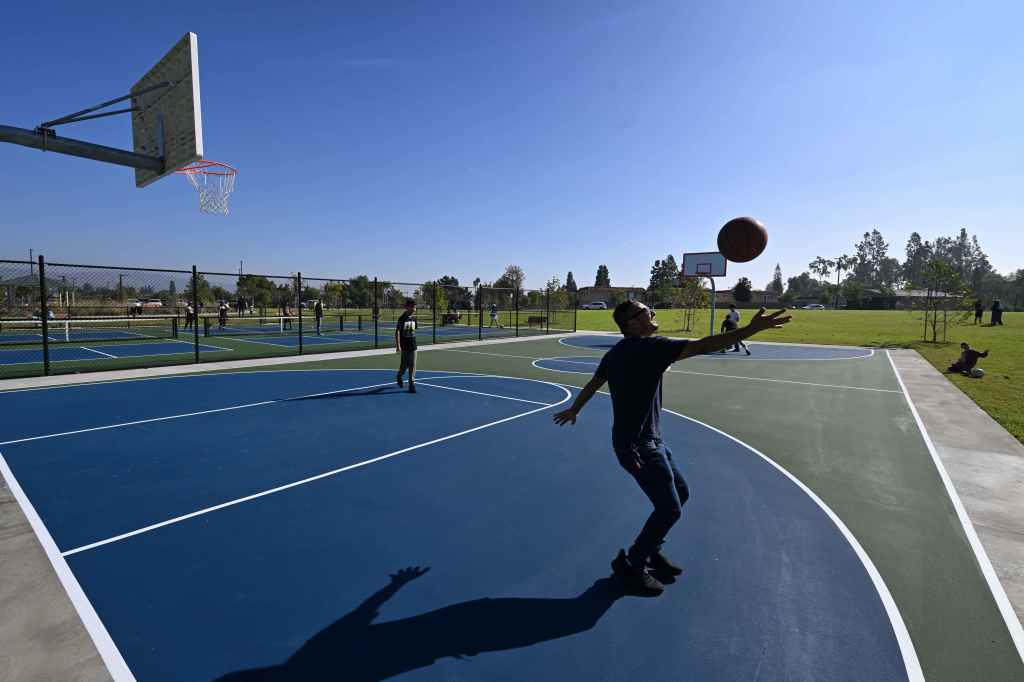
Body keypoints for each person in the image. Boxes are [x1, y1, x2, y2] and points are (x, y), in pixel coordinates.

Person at [553, 301, 790, 595]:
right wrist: (751, 329)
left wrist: (575, 408)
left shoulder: (616, 352)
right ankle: (633, 564)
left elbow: (595, 382)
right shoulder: (650, 347)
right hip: (637, 447)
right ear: (631, 323)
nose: (652, 313)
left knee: (682, 493)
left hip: (650, 440)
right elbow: (704, 345)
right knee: (669, 508)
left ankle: (651, 550)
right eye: (646, 312)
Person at [395, 298, 418, 393]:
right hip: (405, 347)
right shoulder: (402, 318)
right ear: (407, 307)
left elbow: (414, 331)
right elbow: (397, 332)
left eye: (415, 307)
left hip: (413, 346)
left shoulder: (414, 318)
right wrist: (398, 346)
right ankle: (399, 375)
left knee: (413, 364)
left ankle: (411, 383)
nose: (414, 309)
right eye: (412, 307)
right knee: (404, 366)